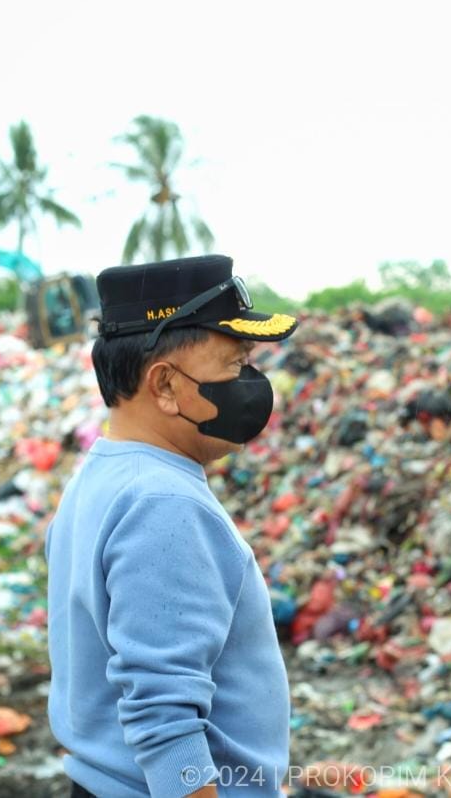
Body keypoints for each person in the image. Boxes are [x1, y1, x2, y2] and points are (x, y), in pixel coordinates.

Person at [46, 255, 299, 797]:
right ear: (163, 384)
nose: (250, 383)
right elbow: (165, 722)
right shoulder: (163, 503)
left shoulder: (103, 473)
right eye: (234, 366)